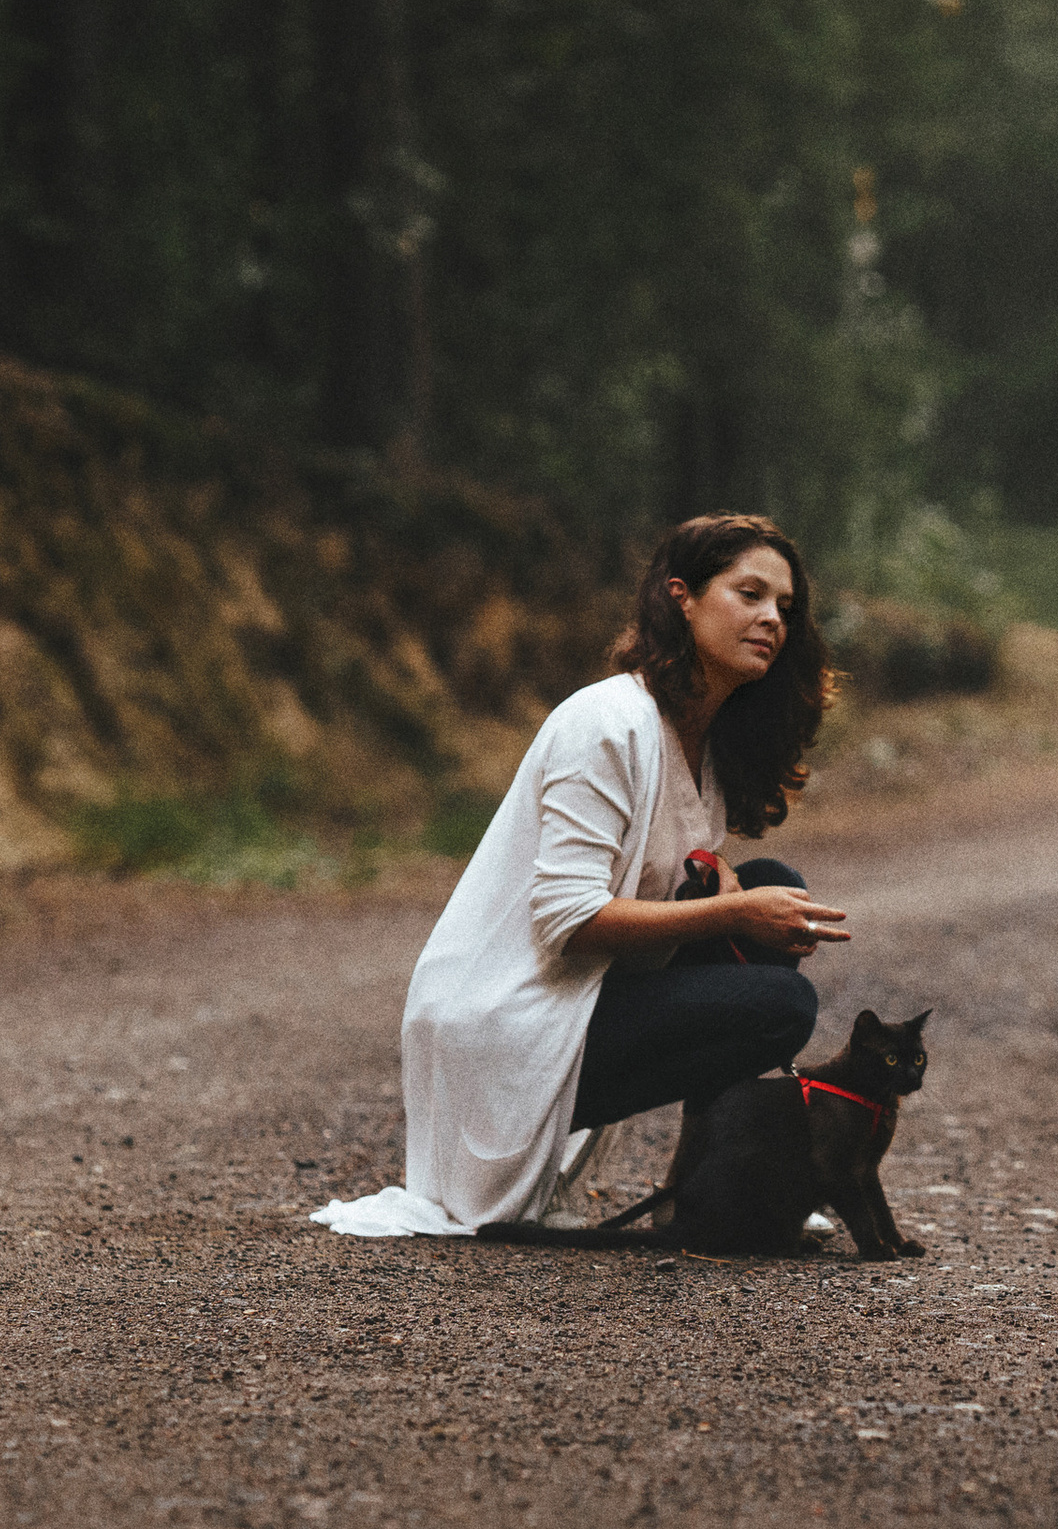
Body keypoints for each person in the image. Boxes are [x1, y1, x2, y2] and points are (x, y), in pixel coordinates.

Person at [310, 514, 847, 1238]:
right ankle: (714, 1190)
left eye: (785, 607)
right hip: (504, 1022)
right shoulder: (607, 723)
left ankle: (717, 1186)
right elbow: (569, 921)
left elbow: (658, 849)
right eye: (749, 594)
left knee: (770, 880)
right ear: (682, 596)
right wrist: (734, 914)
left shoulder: (707, 740)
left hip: (588, 997)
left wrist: (718, 876)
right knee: (778, 1001)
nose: (771, 619)